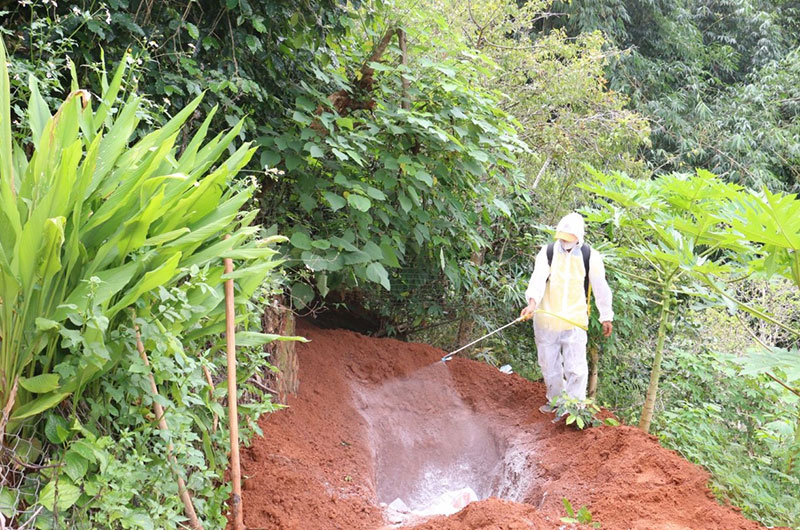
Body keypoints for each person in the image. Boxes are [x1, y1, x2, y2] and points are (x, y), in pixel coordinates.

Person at [520, 212, 613, 416]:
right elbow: (537, 280)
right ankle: (555, 401)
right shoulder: (548, 252)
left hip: (574, 321)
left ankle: (574, 409)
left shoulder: (590, 257)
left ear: (579, 237)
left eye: (569, 238)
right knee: (549, 365)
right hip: (546, 320)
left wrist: (606, 316)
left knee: (576, 368)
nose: (564, 241)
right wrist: (532, 303)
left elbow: (600, 287)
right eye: (562, 237)